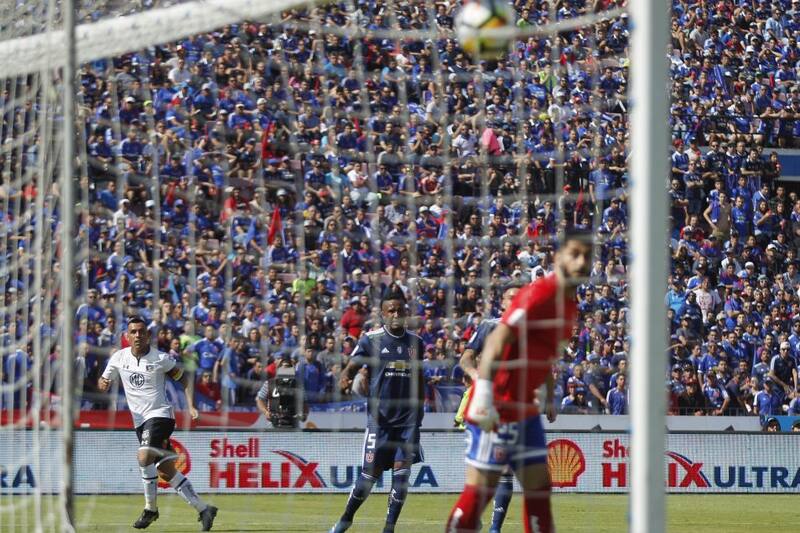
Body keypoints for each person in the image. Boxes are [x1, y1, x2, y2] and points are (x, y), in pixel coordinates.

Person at [446, 229, 592, 533]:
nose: (581, 262)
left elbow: (546, 356)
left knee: (539, 489)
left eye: (587, 256)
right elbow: (499, 338)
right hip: (497, 403)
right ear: (558, 257)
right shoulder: (541, 293)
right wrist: (483, 394)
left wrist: (550, 396)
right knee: (480, 491)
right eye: (574, 254)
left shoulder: (569, 304)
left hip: (524, 408)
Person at [98, 316, 218, 530]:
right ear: (127, 336)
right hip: (140, 421)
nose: (137, 335)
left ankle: (150, 509)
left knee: (144, 456)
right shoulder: (118, 358)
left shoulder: (160, 358)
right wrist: (104, 383)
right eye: (133, 332)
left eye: (141, 331)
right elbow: (103, 381)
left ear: (148, 335)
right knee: (165, 471)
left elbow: (184, 380)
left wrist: (190, 406)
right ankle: (203, 509)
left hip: (160, 415)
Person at [329, 285, 425, 533]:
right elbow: (354, 364)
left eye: (400, 310)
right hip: (380, 421)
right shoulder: (371, 340)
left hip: (408, 422)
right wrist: (346, 375)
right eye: (391, 310)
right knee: (368, 477)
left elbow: (420, 378)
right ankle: (346, 518)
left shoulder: (417, 343)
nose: (395, 314)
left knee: (402, 478)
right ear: (383, 314)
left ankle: (389, 528)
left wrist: (421, 411)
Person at [458, 285, 520, 533]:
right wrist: (477, 377)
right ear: (502, 302)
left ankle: (495, 528)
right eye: (511, 297)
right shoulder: (488, 325)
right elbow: (465, 358)